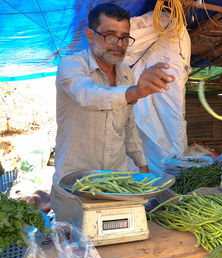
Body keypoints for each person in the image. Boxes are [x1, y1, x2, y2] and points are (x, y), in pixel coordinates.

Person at [51, 3, 175, 221]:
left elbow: (127, 125)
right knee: (73, 248)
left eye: (124, 37)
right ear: (90, 35)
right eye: (109, 35)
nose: (119, 44)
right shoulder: (71, 66)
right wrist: (134, 92)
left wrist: (142, 166)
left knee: (116, 250)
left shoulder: (127, 75)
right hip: (75, 187)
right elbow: (89, 96)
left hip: (117, 186)